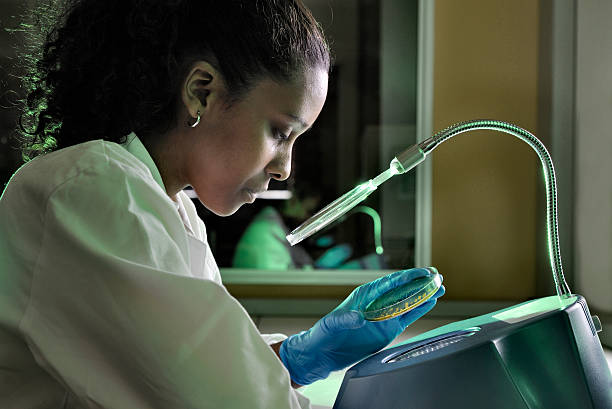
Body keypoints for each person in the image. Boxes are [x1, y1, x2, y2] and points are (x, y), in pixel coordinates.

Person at [0, 1, 445, 408]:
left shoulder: (175, 212)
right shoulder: (88, 191)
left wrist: (299, 354)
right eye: (280, 132)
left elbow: (198, 366)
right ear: (201, 92)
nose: (285, 169)